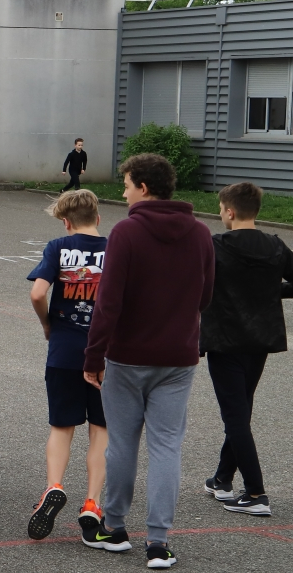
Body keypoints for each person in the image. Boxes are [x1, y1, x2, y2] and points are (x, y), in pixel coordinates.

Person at [83, 153, 214, 569]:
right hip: (178, 357)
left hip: (127, 355)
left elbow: (109, 302)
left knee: (122, 442)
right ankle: (158, 542)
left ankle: (116, 527)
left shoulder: (126, 232)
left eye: (126, 184)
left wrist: (94, 353)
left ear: (142, 186)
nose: (122, 191)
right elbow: (206, 296)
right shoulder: (200, 234)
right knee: (166, 446)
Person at [200, 182, 291, 517]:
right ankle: (222, 479)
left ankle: (256, 492)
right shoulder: (275, 246)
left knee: (235, 417)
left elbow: (198, 284)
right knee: (241, 411)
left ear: (230, 211)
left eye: (221, 209)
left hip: (226, 341)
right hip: (260, 341)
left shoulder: (216, 246)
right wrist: (270, 291)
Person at [24, 190, 108, 543]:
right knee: (101, 429)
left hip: (65, 348)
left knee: (61, 425)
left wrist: (48, 324)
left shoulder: (58, 246)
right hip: (104, 350)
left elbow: (38, 293)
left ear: (66, 221)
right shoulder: (114, 248)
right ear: (98, 217)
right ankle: (92, 502)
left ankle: (54, 485)